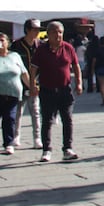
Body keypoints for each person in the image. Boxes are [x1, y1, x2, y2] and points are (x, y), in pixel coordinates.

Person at [30, 20, 83, 162]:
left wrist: (79, 82)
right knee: (47, 120)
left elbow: (76, 66)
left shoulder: (68, 48)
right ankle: (46, 150)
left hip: (65, 89)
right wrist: (32, 84)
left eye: (60, 32)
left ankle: (67, 148)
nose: (57, 35)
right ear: (48, 34)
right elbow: (34, 68)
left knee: (68, 119)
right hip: (47, 90)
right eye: (54, 32)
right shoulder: (41, 49)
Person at [11, 18, 42, 149]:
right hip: (19, 83)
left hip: (36, 83)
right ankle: (15, 136)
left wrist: (37, 82)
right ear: (27, 30)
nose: (37, 32)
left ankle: (37, 138)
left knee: (35, 111)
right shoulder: (16, 45)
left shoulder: (40, 45)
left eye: (38, 29)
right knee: (18, 111)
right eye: (35, 29)